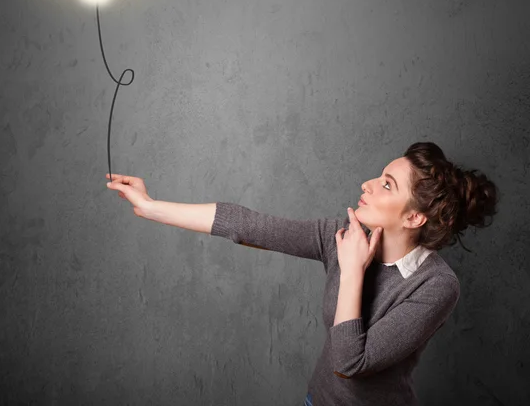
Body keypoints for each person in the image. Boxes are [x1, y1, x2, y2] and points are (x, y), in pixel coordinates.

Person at [106, 141, 499, 406]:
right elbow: (248, 225)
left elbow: (351, 362)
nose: (367, 184)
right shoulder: (340, 236)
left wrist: (352, 272)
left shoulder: (436, 285)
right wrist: (150, 206)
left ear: (414, 216)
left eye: (386, 184)